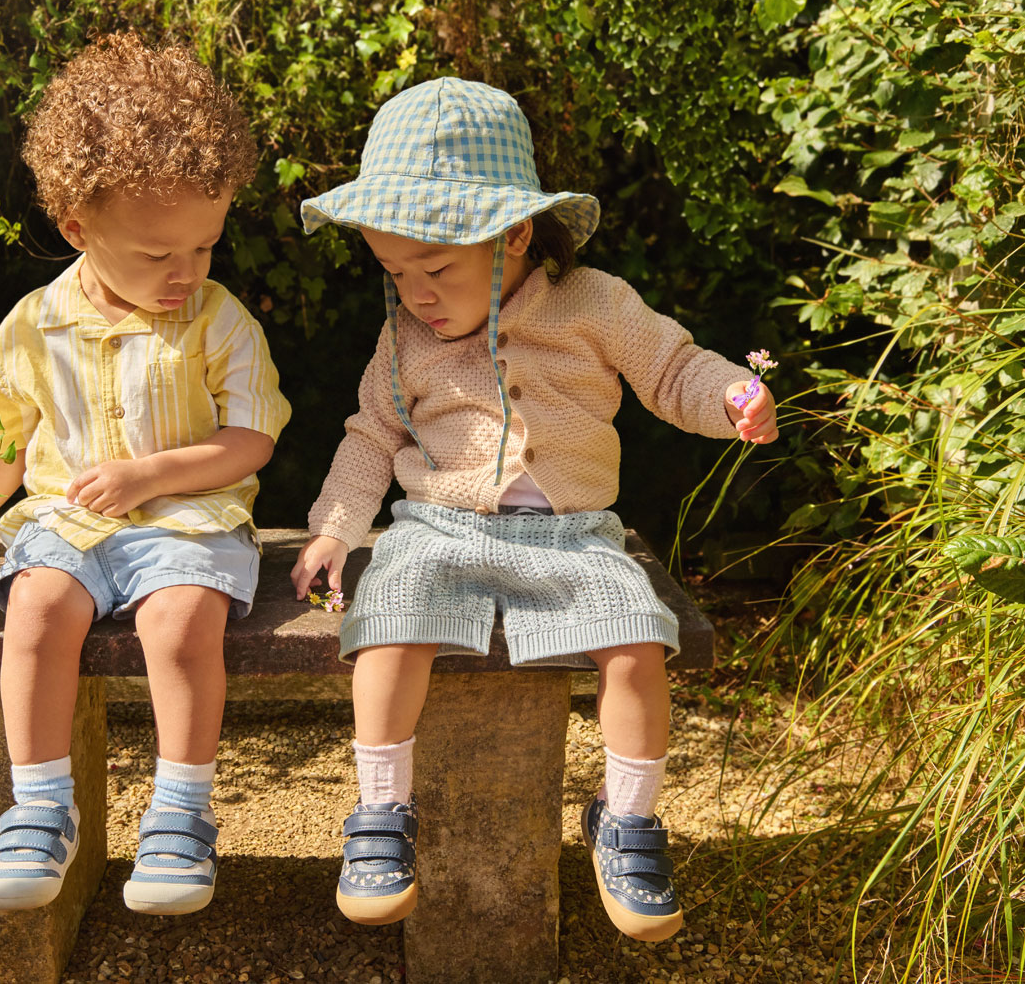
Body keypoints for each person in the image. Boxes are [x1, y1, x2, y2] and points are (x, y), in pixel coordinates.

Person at [289, 77, 778, 940]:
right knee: (387, 618)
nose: (416, 294)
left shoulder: (596, 303)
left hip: (574, 533)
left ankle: (623, 820)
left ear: (514, 232)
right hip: (438, 527)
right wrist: (334, 526)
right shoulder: (404, 336)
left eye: (435, 268)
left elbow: (672, 368)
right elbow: (371, 434)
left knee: (636, 637)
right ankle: (381, 815)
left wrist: (732, 395)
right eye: (395, 272)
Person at [0, 33, 290, 917]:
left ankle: (182, 815)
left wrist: (154, 473)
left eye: (206, 246)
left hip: (189, 522)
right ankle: (40, 811)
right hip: (69, 525)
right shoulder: (37, 323)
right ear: (78, 227)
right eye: (160, 255)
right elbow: (3, 435)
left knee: (183, 619)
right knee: (35, 607)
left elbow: (251, 440)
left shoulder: (218, 320)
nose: (186, 272)